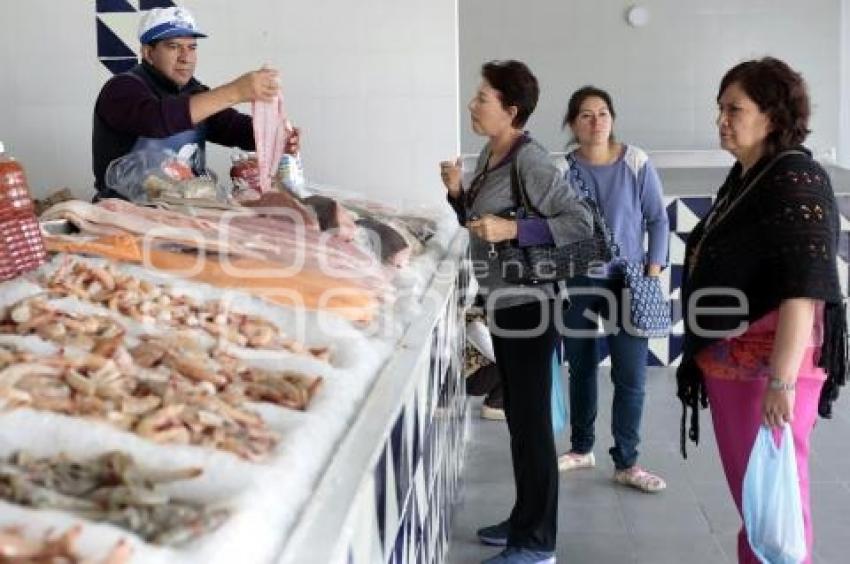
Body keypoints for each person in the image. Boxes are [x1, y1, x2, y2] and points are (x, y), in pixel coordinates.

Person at [677, 57, 847, 563]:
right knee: (757, 503)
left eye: (735, 109)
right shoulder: (748, 175)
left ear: (772, 116)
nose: (722, 120)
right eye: (720, 108)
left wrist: (782, 382)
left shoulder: (796, 179)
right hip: (736, 368)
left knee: (777, 507)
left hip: (766, 373)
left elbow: (802, 290)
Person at [441, 60, 592, 564]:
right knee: (520, 424)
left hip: (532, 305)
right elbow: (481, 222)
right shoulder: (492, 152)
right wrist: (458, 193)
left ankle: (537, 543)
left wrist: (514, 232)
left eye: (482, 98)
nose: (472, 104)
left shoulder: (533, 161)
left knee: (531, 426)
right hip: (504, 302)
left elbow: (579, 223)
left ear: (511, 109)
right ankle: (523, 520)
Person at [555, 86, 670, 493]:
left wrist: (652, 268)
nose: (597, 121)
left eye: (603, 113)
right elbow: (555, 226)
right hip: (581, 279)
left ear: (613, 119)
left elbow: (657, 219)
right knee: (582, 367)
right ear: (573, 124)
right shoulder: (565, 171)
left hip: (629, 282)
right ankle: (581, 448)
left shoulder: (636, 162)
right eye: (586, 115)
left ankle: (627, 462)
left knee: (630, 374)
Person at [91, 6, 300, 200]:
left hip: (182, 208)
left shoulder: (193, 90)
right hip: (127, 212)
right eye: (173, 47)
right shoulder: (121, 89)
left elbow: (230, 126)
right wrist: (237, 91)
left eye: (191, 47)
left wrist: (275, 136)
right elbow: (157, 120)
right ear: (148, 53)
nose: (186, 57)